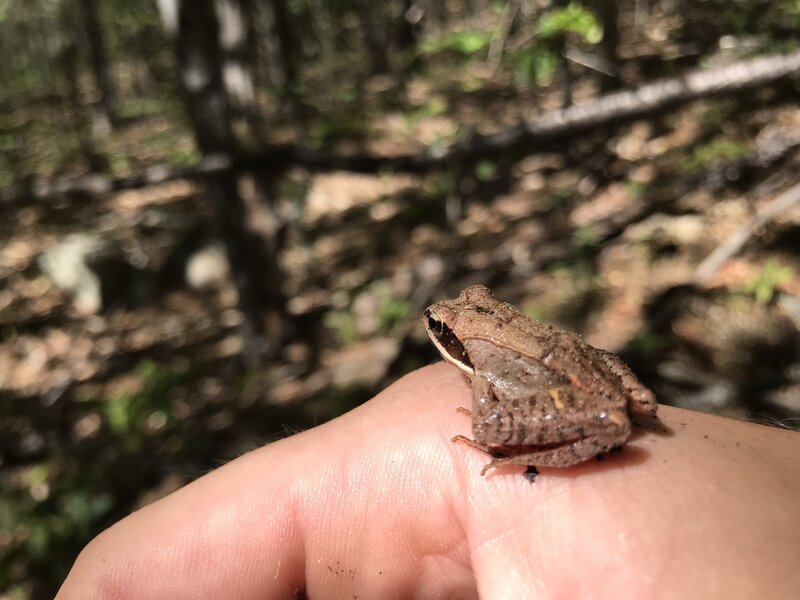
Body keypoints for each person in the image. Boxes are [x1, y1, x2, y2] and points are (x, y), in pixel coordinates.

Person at [57, 363, 800, 598]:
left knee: (485, 427)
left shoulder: (476, 358)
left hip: (575, 407)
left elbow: (495, 399)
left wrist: (501, 436)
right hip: (601, 383)